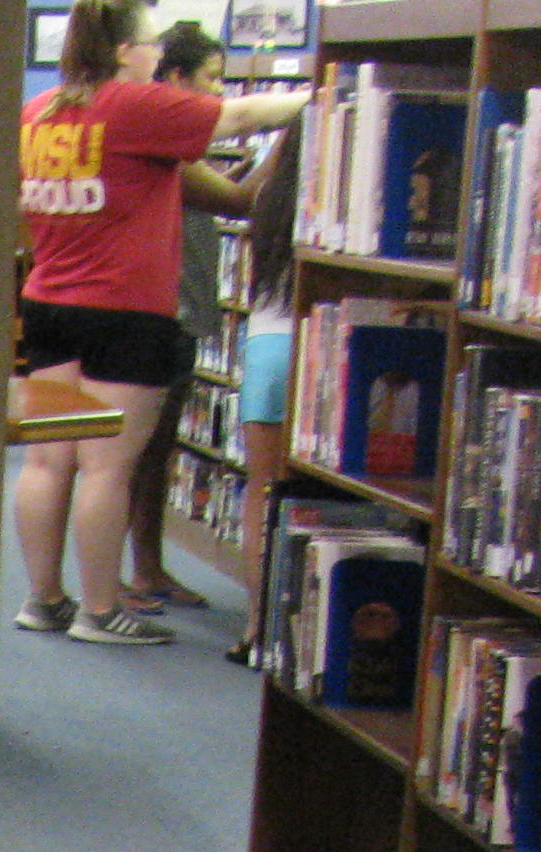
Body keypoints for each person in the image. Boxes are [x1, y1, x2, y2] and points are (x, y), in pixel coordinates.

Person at [13, 0, 303, 645]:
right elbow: (243, 116)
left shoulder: (40, 113)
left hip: (49, 302)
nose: (155, 56)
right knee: (107, 467)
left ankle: (43, 598)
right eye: (149, 44)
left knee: (48, 461)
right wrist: (318, 98)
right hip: (124, 309)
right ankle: (99, 610)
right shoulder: (133, 104)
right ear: (124, 51)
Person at [120, 21, 259, 616]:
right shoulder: (162, 147)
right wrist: (286, 150)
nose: (219, 91)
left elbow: (220, 194)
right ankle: (124, 575)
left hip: (179, 311)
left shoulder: (174, 149)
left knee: (155, 452)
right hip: (162, 313)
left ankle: (145, 567)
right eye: (212, 78)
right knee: (135, 453)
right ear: (175, 79)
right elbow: (237, 200)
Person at [230, 131, 299, 665]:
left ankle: (256, 623)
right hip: (331, 342)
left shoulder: (272, 199)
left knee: (263, 489)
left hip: (269, 344)